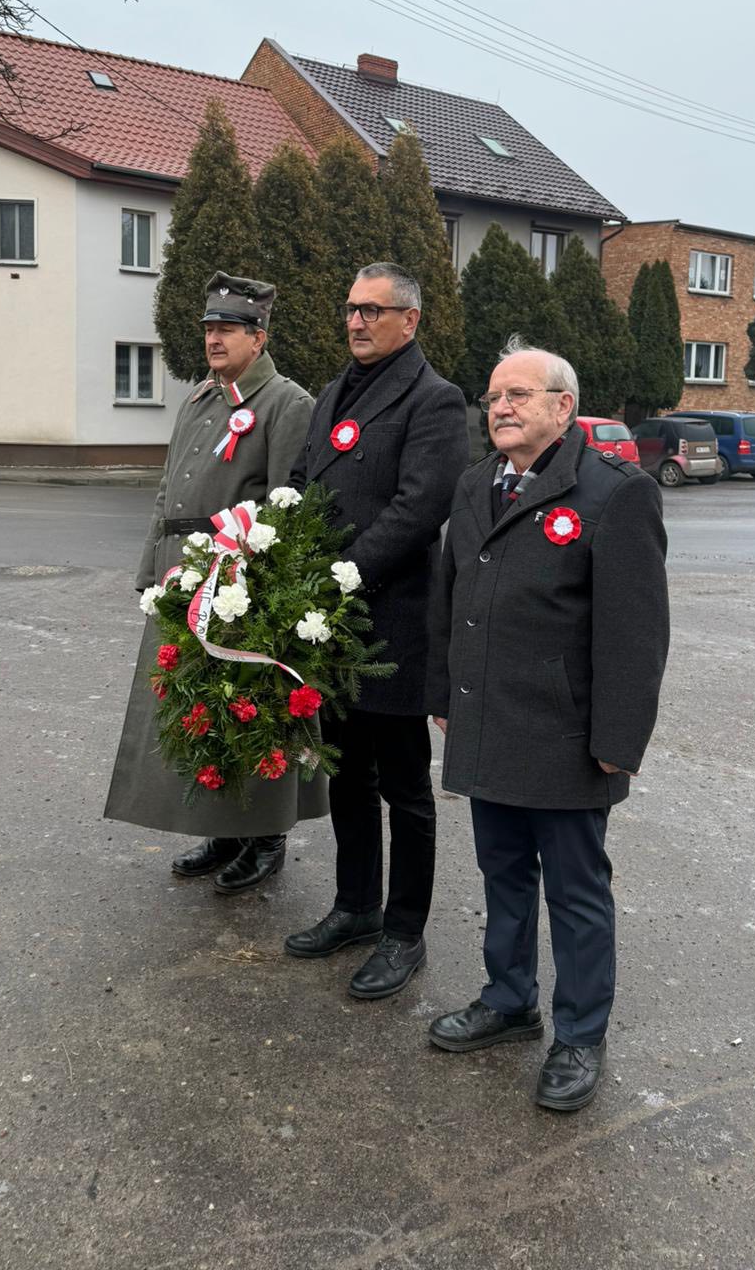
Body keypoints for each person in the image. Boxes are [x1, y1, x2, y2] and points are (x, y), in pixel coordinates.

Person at [426, 336, 668, 1111]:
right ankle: (508, 1000)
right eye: (494, 395)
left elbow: (636, 636)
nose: (499, 406)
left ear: (562, 408)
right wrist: (442, 693)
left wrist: (617, 746)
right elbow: (449, 599)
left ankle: (580, 1034)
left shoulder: (612, 493)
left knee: (575, 892)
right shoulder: (474, 486)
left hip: (566, 739)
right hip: (488, 723)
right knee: (502, 877)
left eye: (518, 395)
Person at [282, 263, 469, 999]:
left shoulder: (436, 401)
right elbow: (299, 481)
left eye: (371, 310)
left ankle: (403, 932)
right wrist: (273, 552)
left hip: (388, 630)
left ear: (410, 320)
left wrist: (341, 576)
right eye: (350, 308)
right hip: (329, 628)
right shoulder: (332, 393)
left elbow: (420, 508)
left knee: (403, 790)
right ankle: (356, 907)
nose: (356, 322)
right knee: (345, 778)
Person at [104, 271, 317, 894]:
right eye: (208, 330)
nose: (213, 340)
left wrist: (270, 596)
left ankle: (265, 837)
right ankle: (225, 832)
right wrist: (150, 569)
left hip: (237, 585)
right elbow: (168, 492)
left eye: (227, 329)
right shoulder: (199, 400)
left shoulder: (285, 403)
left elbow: (285, 507)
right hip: (182, 574)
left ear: (260, 336)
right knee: (199, 708)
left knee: (249, 706)